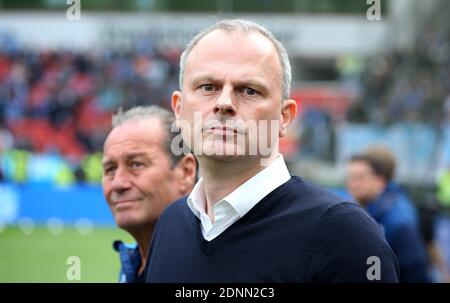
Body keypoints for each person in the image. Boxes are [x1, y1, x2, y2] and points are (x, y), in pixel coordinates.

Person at [145, 19, 399, 283]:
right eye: (208, 87)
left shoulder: (344, 235)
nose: (224, 103)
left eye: (249, 90)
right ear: (178, 108)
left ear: (284, 118)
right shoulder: (170, 224)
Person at [102, 106, 196, 283]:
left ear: (186, 172)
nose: (118, 183)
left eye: (136, 164)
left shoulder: (219, 267)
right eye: (110, 169)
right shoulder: (133, 263)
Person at [347, 145, 430, 282]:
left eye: (359, 177)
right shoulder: (378, 207)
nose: (352, 184)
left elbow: (413, 270)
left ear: (380, 180)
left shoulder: (397, 220)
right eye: (350, 177)